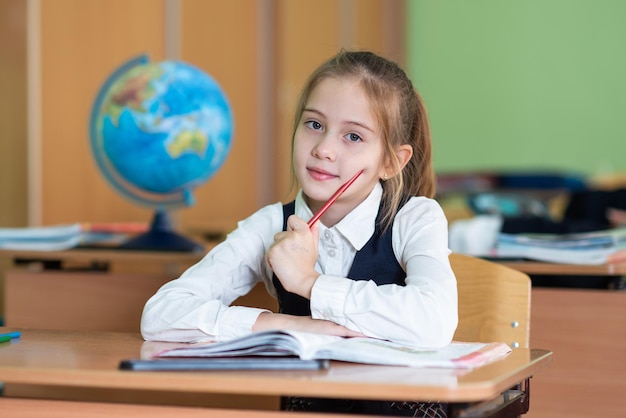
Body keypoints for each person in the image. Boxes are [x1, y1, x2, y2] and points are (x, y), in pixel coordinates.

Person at [141, 49, 458, 417]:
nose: (323, 149)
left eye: (353, 136)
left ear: (391, 162)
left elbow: (435, 322)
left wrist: (310, 282)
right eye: (315, 125)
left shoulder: (416, 217)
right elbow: (161, 315)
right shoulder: (270, 225)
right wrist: (283, 326)